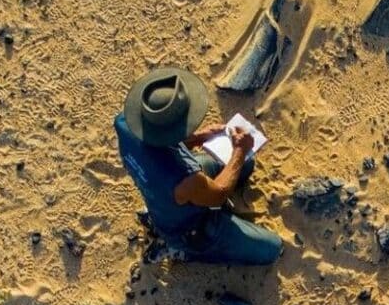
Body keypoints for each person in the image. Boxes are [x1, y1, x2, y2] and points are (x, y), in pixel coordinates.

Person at [114, 67, 281, 266]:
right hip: (188, 228)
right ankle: (182, 250)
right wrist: (239, 150)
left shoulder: (125, 123)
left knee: (246, 164)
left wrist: (201, 136)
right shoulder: (185, 178)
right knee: (272, 248)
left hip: (163, 195)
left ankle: (161, 218)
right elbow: (219, 194)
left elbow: (157, 146)